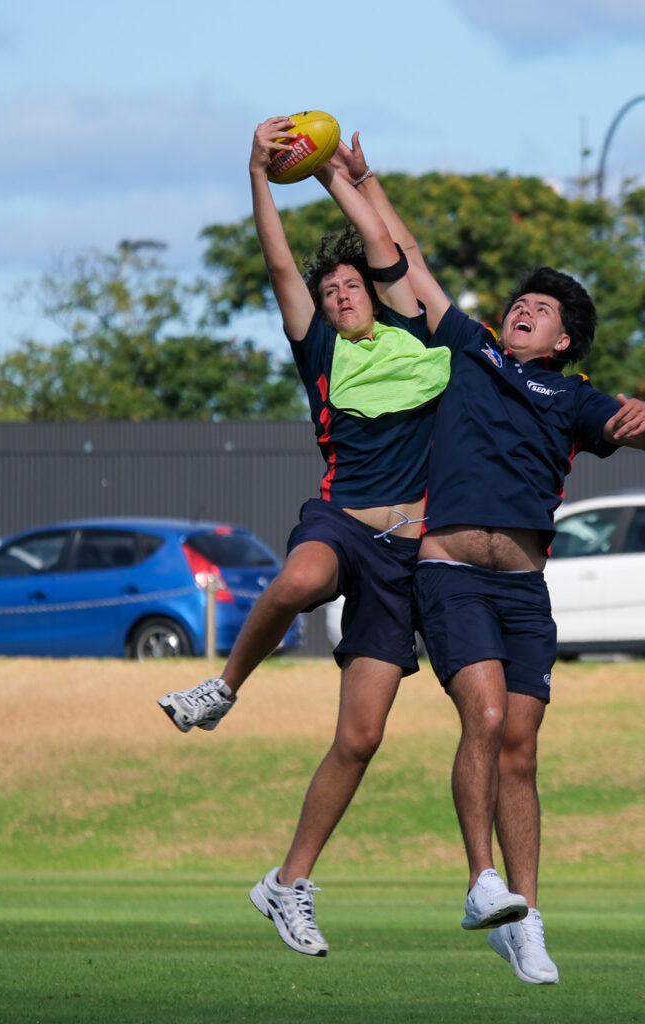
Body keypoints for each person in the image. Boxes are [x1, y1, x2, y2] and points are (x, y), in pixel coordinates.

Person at [339, 136, 645, 984]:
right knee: (482, 719)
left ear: (563, 342)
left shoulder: (576, 398)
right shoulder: (468, 350)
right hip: (449, 575)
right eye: (519, 301)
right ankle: (480, 882)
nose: (524, 309)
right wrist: (357, 181)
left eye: (541, 309)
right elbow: (404, 262)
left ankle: (525, 918)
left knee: (520, 748)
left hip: (525, 589)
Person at [157, 118, 449, 958]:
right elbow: (279, 260)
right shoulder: (320, 347)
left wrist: (347, 179)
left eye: (350, 286)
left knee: (361, 737)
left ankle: (287, 885)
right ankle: (222, 689)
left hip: (405, 553)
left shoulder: (429, 339)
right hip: (340, 521)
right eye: (329, 293)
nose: (338, 295)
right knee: (295, 580)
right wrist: (258, 170)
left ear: (375, 289)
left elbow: (403, 252)